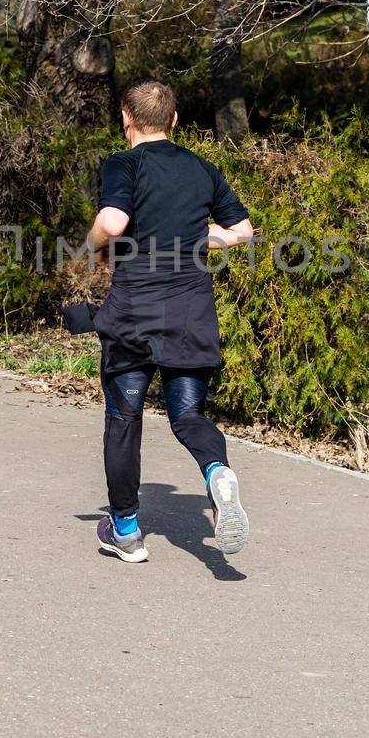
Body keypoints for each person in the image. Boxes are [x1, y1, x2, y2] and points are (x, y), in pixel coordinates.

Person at [83, 79, 256, 563]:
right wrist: (200, 242)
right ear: (176, 121)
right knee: (187, 415)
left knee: (123, 417)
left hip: (136, 310)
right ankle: (217, 471)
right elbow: (242, 232)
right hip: (189, 309)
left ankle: (127, 532)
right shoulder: (203, 169)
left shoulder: (124, 163)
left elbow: (114, 223)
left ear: (126, 120)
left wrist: (93, 241)